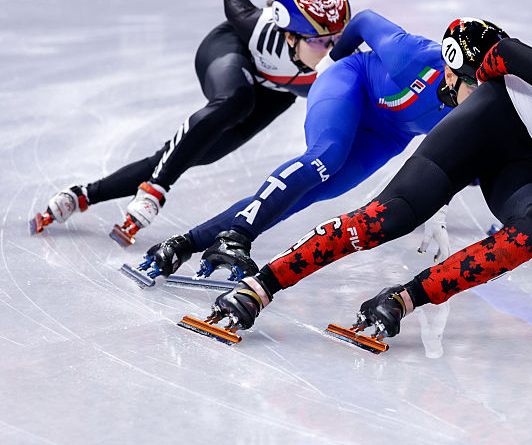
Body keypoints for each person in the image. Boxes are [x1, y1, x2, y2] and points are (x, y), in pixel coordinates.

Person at [185, 39, 532, 345]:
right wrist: (469, 98)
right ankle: (260, 286)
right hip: (487, 123)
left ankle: (400, 299)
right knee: (387, 219)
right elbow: (502, 51)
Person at [133, 17, 510, 282]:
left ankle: (185, 243)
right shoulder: (411, 54)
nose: (484, 98)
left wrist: (448, 211)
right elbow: (363, 21)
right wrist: (331, 61)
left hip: (389, 133)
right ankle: (237, 238)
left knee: (309, 193)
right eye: (477, 87)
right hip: (352, 82)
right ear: (450, 72)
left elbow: (462, 163)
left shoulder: (480, 103)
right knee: (324, 159)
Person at [30, 0, 350, 245]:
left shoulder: (341, 62)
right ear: (289, 35)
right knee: (235, 101)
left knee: (201, 151)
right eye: (320, 41)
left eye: (338, 37)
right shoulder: (260, 27)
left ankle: (84, 194)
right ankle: (155, 189)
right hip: (230, 51)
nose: (332, 49)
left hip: (275, 92)